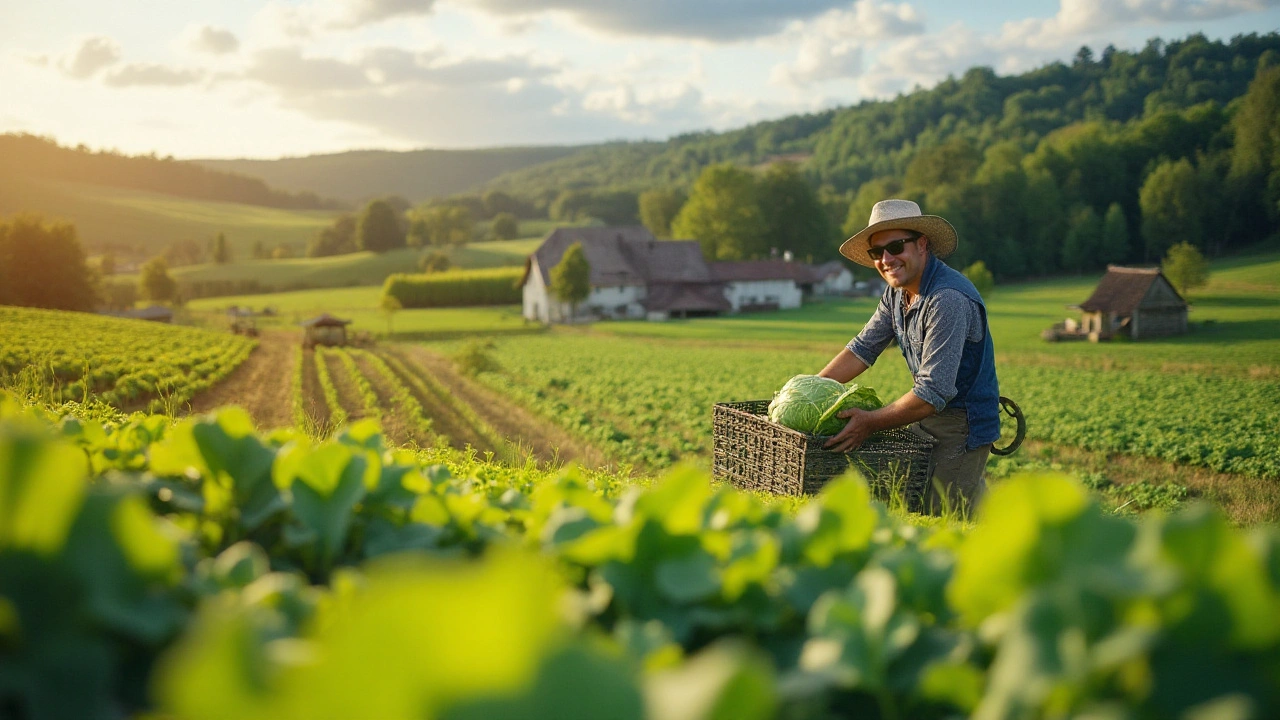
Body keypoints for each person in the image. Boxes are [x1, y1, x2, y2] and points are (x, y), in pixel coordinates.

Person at [818, 199, 1000, 516]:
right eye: (877, 252)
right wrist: (810, 391)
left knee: (941, 516)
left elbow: (933, 392)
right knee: (928, 505)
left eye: (896, 246)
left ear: (922, 244)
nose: (887, 259)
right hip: (924, 414)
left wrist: (870, 422)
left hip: (961, 424)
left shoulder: (947, 299)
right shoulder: (897, 292)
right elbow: (862, 348)